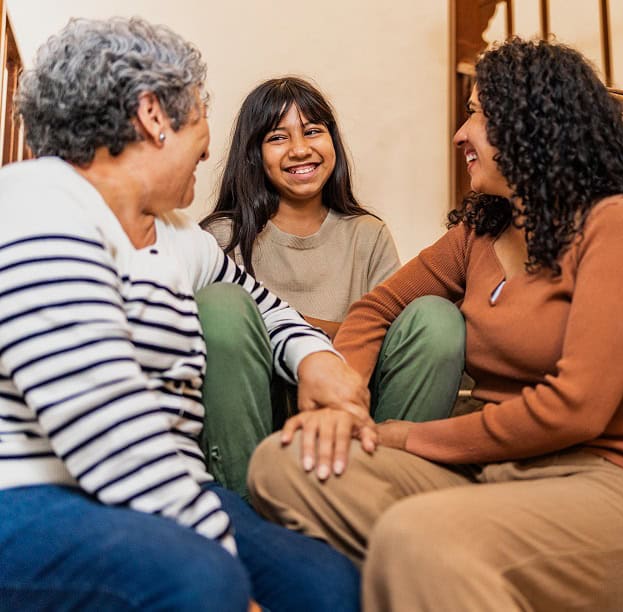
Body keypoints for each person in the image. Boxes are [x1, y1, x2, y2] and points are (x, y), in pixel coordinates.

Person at [248, 37, 623, 612]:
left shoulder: (618, 226)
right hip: (487, 478)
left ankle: (435, 566)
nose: (460, 134)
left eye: (477, 113)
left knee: (418, 537)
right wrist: (341, 403)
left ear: (531, 124)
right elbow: (374, 310)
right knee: (282, 464)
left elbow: (576, 407)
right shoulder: (477, 234)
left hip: (609, 488)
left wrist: (409, 436)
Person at [0, 17, 371, 611]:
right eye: (199, 109)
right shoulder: (33, 208)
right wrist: (232, 581)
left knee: (326, 583)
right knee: (197, 580)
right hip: (32, 493)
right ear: (153, 114)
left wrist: (315, 359)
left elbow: (267, 308)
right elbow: (109, 436)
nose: (207, 136)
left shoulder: (179, 236)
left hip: (168, 486)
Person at [203, 77, 462, 423]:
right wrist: (339, 330)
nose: (299, 149)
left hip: (354, 414)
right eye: (278, 137)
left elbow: (396, 338)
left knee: (436, 315)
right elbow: (226, 340)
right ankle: (246, 477)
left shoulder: (368, 235)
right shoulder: (223, 238)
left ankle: (384, 466)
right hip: (259, 422)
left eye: (312, 131)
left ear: (332, 141)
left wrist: (294, 327)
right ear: (253, 154)